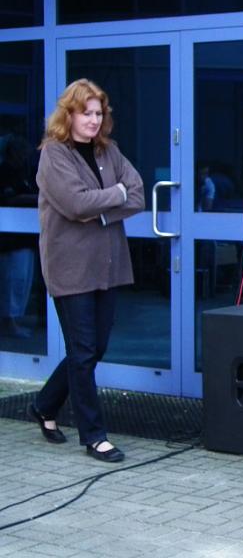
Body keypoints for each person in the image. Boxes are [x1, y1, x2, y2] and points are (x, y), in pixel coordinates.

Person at [29, 79, 144, 462]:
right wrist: (115, 195)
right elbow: (75, 204)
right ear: (69, 115)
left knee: (95, 348)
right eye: (86, 113)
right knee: (82, 351)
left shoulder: (108, 150)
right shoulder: (54, 155)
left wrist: (104, 208)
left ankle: (45, 405)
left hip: (108, 266)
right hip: (70, 268)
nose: (94, 120)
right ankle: (94, 436)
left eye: (98, 113)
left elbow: (137, 193)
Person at [0, 134, 38, 338]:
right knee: (13, 280)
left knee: (23, 280)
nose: (25, 156)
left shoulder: (23, 173)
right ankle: (9, 322)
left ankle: (16, 318)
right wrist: (36, 198)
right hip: (11, 239)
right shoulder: (4, 172)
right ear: (13, 152)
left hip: (26, 237)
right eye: (22, 152)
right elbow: (10, 199)